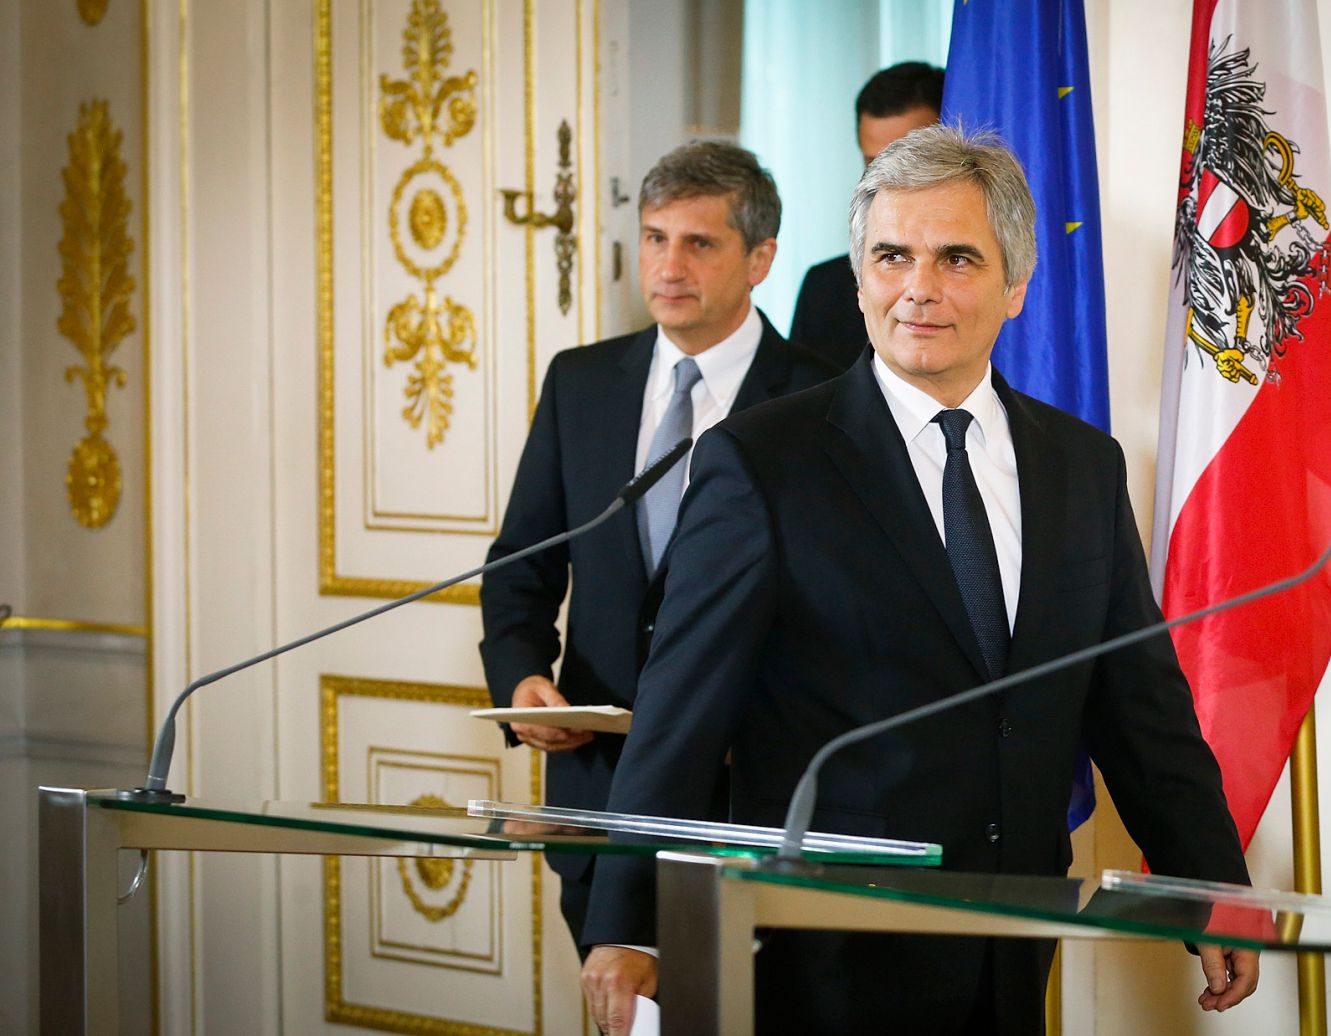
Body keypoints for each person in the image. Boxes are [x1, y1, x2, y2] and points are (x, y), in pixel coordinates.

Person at [579, 125, 1257, 1034]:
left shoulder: (1082, 466)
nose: (918, 289)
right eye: (892, 256)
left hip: (1013, 939)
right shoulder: (762, 461)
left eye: (957, 258)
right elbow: (680, 715)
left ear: (1015, 286)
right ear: (859, 278)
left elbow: (1140, 708)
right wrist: (630, 924)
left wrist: (1207, 881)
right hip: (825, 951)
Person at [478, 140, 834, 960]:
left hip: (753, 793)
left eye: (699, 243)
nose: (668, 265)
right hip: (598, 793)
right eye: (653, 237)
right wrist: (523, 677)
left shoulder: (821, 396)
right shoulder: (582, 381)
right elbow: (520, 567)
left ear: (760, 258)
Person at [788, 60, 944, 371]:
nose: (891, 181)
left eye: (909, 161)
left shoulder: (992, 281)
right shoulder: (825, 290)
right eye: (875, 164)